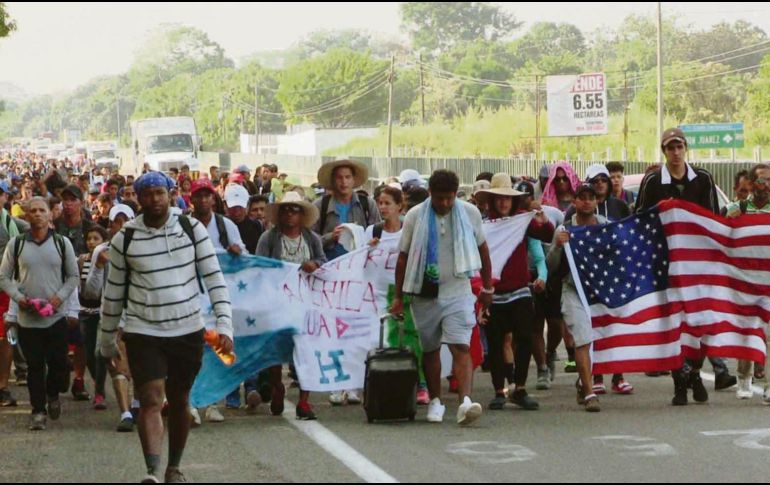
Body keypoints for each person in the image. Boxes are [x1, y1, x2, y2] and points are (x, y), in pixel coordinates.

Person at [99, 172, 233, 483]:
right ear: (138, 198)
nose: (155, 200)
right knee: (150, 398)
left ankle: (174, 466)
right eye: (148, 195)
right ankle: (152, 471)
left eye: (160, 193)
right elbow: (114, 293)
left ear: (171, 194)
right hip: (143, 330)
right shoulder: (125, 239)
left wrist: (225, 325)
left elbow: (214, 279)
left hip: (187, 328)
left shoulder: (191, 228)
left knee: (180, 398)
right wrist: (105, 341)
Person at [391, 170, 493, 426]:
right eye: (439, 199)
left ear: (456, 194)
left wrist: (488, 287)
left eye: (449, 198)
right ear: (430, 194)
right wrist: (399, 297)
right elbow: (403, 256)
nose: (444, 204)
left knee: (461, 345)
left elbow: (483, 249)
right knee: (431, 349)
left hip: (458, 292)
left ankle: (466, 401)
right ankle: (435, 400)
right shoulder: (415, 216)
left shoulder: (470, 214)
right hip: (425, 294)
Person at [636, 127, 720, 406]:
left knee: (699, 323)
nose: (675, 152)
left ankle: (695, 373)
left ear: (686, 149)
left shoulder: (703, 179)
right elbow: (641, 221)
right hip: (665, 262)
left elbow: (713, 220)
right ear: (664, 151)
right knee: (672, 323)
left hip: (698, 264)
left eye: (679, 147)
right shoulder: (652, 182)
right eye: (670, 148)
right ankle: (679, 382)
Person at [474, 174, 554, 411]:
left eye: (507, 199)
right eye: (498, 199)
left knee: (525, 338)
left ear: (514, 201)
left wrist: (542, 218)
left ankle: (519, 388)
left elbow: (547, 234)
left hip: (520, 291)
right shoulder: (483, 226)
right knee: (497, 342)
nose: (503, 203)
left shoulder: (523, 221)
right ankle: (500, 390)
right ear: (491, 200)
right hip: (493, 293)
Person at [0, 197, 80, 430]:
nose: (37, 214)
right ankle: (38, 411)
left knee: (58, 364)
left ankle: (53, 394)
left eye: (41, 210)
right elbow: (4, 277)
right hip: (28, 319)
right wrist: (19, 299)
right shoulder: (17, 245)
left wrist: (58, 299)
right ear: (26, 215)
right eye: (32, 211)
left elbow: (73, 276)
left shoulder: (61, 243)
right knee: (35, 366)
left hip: (56, 317)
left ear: (49, 215)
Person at [312, 159, 380, 405]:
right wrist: (332, 237)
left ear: (354, 180)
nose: (343, 182)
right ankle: (335, 382)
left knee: (355, 331)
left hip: (359, 275)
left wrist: (370, 243)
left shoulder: (365, 204)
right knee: (332, 332)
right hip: (330, 277)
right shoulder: (320, 206)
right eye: (339, 178)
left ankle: (353, 384)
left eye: (347, 177)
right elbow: (312, 240)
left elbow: (377, 231)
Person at [256, 191, 327, 420]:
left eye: (294, 209)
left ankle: (304, 401)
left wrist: (314, 264)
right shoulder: (269, 238)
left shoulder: (311, 239)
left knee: (306, 351)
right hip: (277, 304)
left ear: (302, 214)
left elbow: (323, 262)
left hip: (306, 303)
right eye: (285, 209)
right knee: (277, 351)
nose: (289, 214)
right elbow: (258, 265)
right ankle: (277, 385)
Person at [547, 184, 604, 412]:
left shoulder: (605, 227)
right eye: (583, 198)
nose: (587, 202)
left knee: (599, 340)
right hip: (573, 289)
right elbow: (550, 265)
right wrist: (558, 246)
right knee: (582, 337)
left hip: (599, 291)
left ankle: (584, 381)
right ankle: (590, 392)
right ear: (575, 202)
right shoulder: (565, 228)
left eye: (592, 198)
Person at [84, 204, 137, 432]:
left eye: (127, 220)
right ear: (112, 224)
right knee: (115, 363)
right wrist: (98, 265)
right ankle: (125, 412)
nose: (122, 226)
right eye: (118, 221)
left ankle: (137, 403)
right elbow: (91, 292)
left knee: (138, 362)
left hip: (139, 313)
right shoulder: (102, 250)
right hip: (112, 314)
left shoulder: (143, 248)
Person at [725, 164, 770, 404]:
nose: (766, 185)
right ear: (752, 184)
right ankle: (744, 378)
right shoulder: (738, 208)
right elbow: (718, 232)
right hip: (746, 279)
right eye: (762, 181)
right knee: (748, 331)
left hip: (769, 280)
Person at [55, 184, 96, 402]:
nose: (69, 204)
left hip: (85, 289)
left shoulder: (90, 227)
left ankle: (79, 380)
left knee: (82, 337)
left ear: (81, 202)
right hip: (58, 288)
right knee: (57, 333)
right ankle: (61, 369)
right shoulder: (54, 226)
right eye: (66, 200)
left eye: (73, 200)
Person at [225, 184, 262, 255]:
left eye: (240, 207)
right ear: (226, 206)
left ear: (247, 205)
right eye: (233, 207)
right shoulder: (221, 225)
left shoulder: (256, 226)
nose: (237, 212)